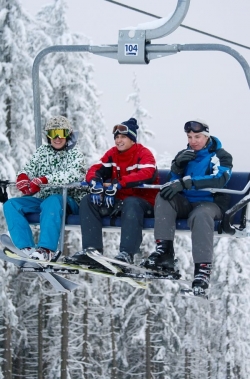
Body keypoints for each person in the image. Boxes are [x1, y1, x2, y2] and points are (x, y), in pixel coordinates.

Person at [143, 119, 233, 296]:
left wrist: (187, 183)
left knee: (200, 215)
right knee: (163, 196)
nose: (193, 141)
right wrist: (177, 166)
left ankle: (202, 271)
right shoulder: (185, 154)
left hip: (210, 204)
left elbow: (219, 179)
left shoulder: (220, 156)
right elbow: (170, 184)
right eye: (190, 136)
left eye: (197, 136)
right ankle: (164, 253)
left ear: (206, 136)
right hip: (185, 203)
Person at [69, 117, 159, 265]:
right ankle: (92, 251)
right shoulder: (113, 154)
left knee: (131, 203)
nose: (118, 140)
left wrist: (120, 183)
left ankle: (126, 253)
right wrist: (95, 181)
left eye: (123, 137)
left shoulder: (143, 153)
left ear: (132, 139)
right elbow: (95, 169)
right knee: (88, 200)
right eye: (116, 137)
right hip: (118, 202)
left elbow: (147, 173)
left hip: (143, 204)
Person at [3, 115, 86, 261]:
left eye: (61, 133)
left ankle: (46, 250)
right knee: (12, 205)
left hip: (68, 200)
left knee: (52, 201)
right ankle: (26, 248)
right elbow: (29, 168)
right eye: (53, 134)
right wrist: (23, 176)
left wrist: (45, 179)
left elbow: (73, 174)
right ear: (48, 136)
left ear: (68, 134)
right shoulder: (43, 152)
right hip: (44, 200)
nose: (57, 138)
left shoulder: (75, 153)